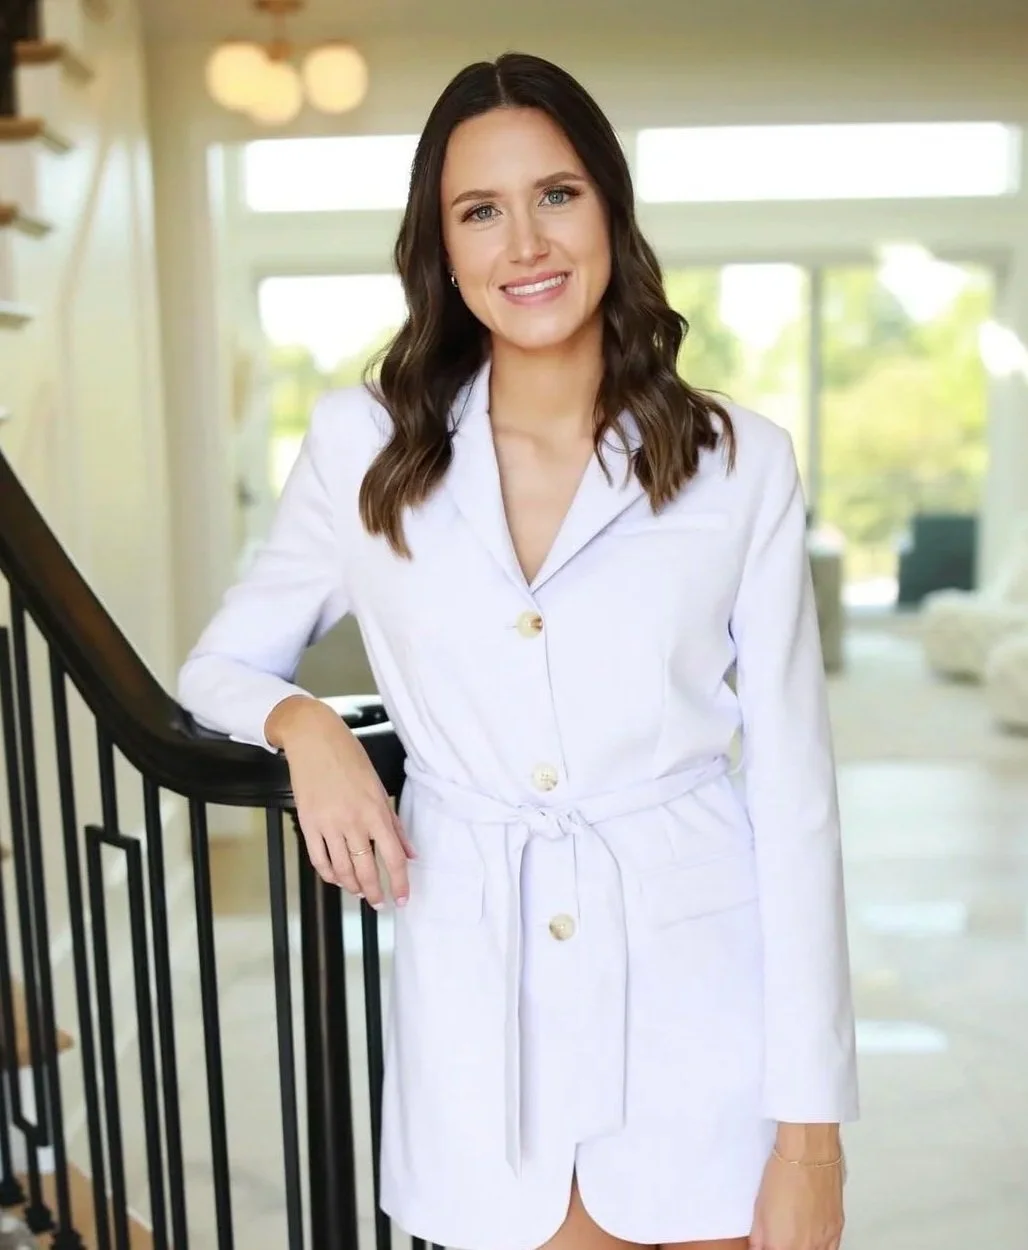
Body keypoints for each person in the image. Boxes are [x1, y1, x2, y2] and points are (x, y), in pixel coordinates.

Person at [178, 51, 858, 1250]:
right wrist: (306, 725)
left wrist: (810, 1141)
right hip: (478, 1008)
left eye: (555, 194)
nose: (525, 244)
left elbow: (795, 794)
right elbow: (219, 665)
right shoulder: (361, 447)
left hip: (702, 1003)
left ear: (609, 210)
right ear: (441, 248)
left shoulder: (738, 460)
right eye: (479, 211)